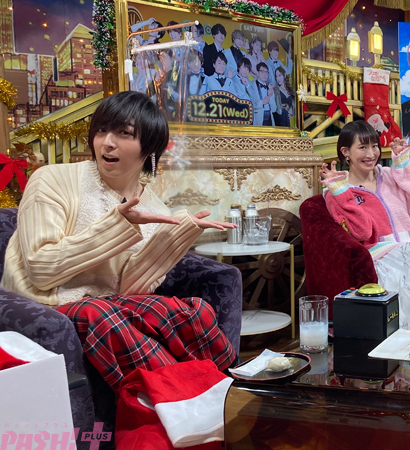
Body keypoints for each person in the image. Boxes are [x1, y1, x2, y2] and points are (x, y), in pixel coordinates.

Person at [0, 91, 237, 391]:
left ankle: (231, 385)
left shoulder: (154, 209)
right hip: (46, 304)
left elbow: (128, 290)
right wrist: (117, 226)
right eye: (101, 130)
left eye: (124, 133)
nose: (107, 142)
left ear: (150, 148)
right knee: (103, 318)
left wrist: (173, 239)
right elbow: (41, 269)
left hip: (110, 306)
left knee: (193, 310)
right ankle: (191, 395)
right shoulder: (52, 180)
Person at [320, 121, 410, 331]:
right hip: (382, 256)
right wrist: (341, 192)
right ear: (345, 152)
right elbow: (361, 232)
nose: (371, 154)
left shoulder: (390, 175)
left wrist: (403, 165)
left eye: (374, 146)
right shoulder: (337, 191)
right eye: (362, 147)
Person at [253, 62, 276, 126]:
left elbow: (274, 109)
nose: (265, 74)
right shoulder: (252, 86)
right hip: (258, 119)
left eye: (266, 72)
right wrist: (262, 102)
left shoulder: (270, 87)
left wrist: (270, 96)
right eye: (262, 72)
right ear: (257, 73)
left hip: (269, 119)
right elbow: (250, 105)